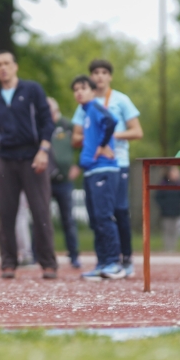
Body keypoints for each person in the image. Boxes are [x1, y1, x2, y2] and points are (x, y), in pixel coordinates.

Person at [0, 50, 58, 279]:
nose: (3, 68)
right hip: (6, 159)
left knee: (40, 212)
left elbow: (47, 122)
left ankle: (48, 263)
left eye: (6, 63)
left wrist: (44, 150)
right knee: (6, 213)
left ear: (15, 66)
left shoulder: (32, 90)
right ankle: (8, 262)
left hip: (33, 157)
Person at [71, 59, 142, 277]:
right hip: (95, 164)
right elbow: (75, 136)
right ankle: (106, 261)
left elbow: (137, 132)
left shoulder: (120, 100)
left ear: (109, 76)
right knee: (99, 215)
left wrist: (107, 140)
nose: (99, 76)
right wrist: (95, 141)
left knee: (118, 211)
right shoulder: (85, 103)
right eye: (95, 73)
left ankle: (124, 259)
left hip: (117, 163)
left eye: (104, 72)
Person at [71, 75, 124, 280]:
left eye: (83, 88)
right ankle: (102, 263)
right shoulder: (85, 114)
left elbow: (112, 121)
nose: (79, 92)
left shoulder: (96, 108)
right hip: (91, 170)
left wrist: (103, 145)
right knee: (95, 220)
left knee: (104, 217)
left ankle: (114, 263)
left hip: (104, 170)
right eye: (76, 89)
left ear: (93, 91)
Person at [47, 97, 81, 268]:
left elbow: (84, 142)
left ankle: (74, 255)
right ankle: (39, 254)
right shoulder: (42, 125)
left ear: (56, 110)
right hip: (44, 180)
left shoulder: (68, 125)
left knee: (68, 219)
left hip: (64, 180)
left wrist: (79, 165)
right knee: (41, 219)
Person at [155, 166, 180, 252]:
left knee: (175, 231)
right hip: (166, 212)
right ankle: (167, 248)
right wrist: (163, 206)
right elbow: (158, 197)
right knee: (167, 230)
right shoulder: (163, 183)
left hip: (176, 212)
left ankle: (173, 248)